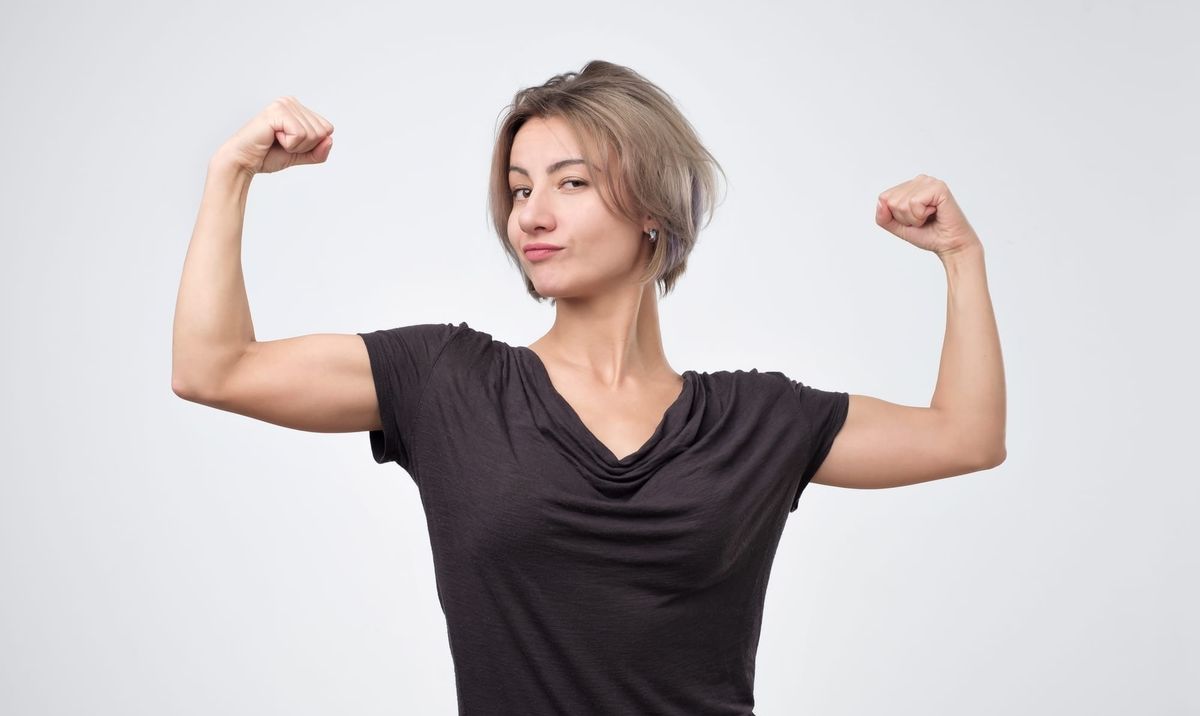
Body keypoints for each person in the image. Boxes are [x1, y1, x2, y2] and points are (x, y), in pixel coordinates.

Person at [172, 60, 1006, 715]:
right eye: (520, 189)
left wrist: (960, 259)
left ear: (652, 204)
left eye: (569, 183)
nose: (531, 215)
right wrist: (230, 172)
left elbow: (964, 436)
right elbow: (215, 368)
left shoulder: (755, 422)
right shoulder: (448, 383)